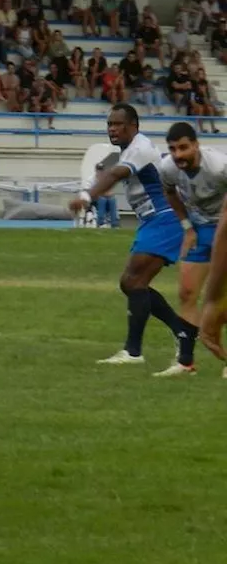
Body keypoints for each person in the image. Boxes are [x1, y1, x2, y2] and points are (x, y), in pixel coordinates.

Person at [69, 105, 194, 369]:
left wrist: (86, 197)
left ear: (134, 126)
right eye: (109, 124)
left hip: (166, 217)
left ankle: (135, 351)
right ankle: (180, 331)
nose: (113, 129)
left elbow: (114, 174)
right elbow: (103, 171)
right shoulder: (123, 152)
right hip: (153, 221)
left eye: (119, 124)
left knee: (133, 279)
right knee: (131, 283)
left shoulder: (141, 147)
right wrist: (87, 188)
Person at [153, 122, 227, 377]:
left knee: (223, 298)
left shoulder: (219, 167)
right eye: (173, 149)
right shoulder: (167, 168)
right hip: (201, 228)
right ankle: (186, 362)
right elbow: (169, 191)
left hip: (226, 227)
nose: (178, 155)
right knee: (186, 292)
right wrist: (187, 227)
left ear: (196, 145)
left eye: (184, 148)